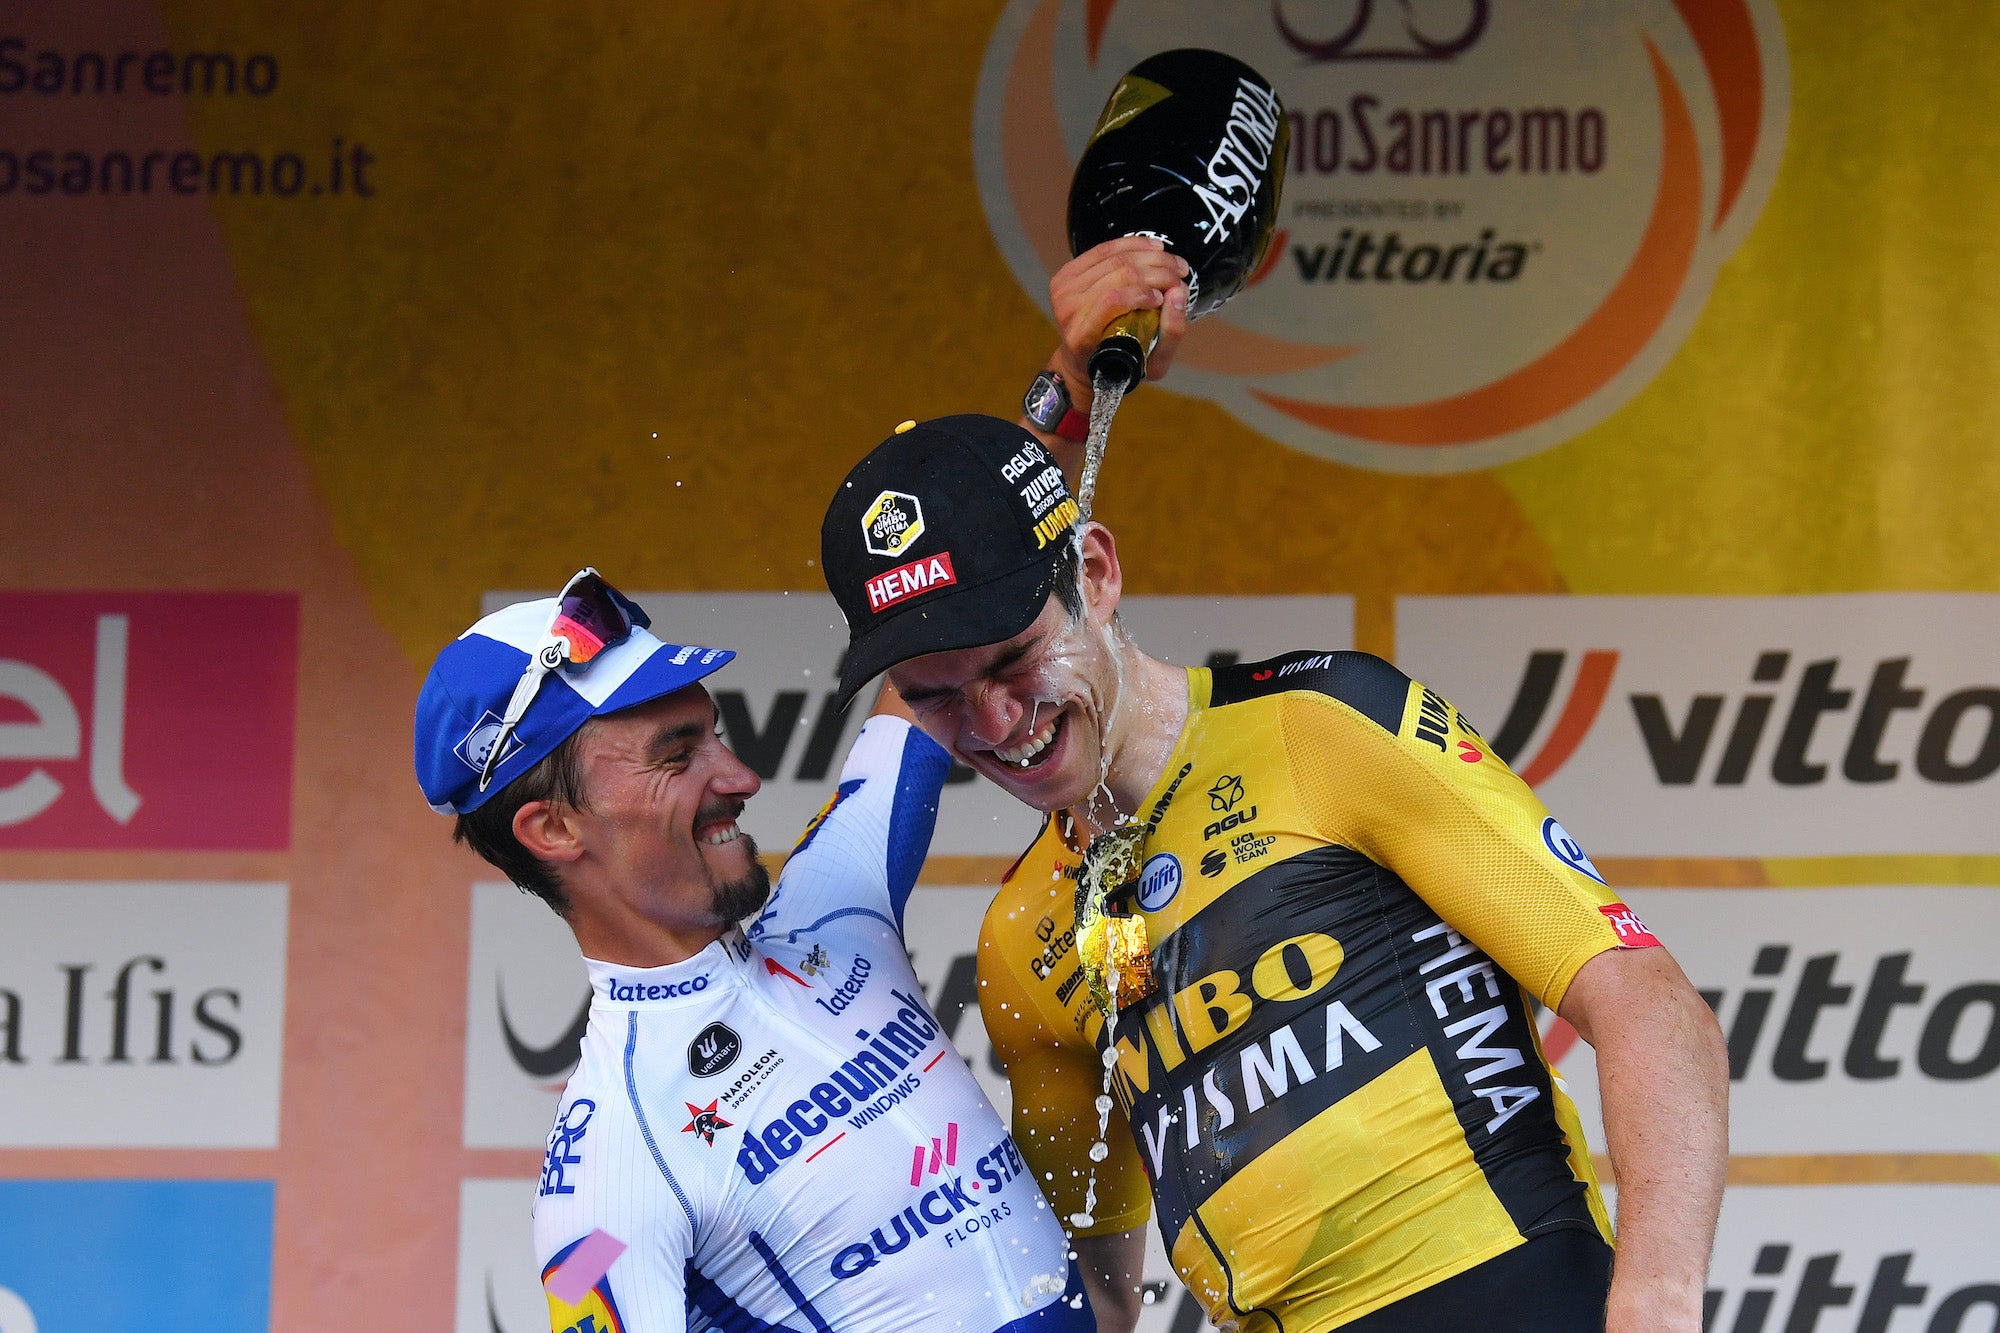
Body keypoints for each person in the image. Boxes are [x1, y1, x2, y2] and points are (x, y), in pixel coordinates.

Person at [812, 240, 1730, 1333]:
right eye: (937, 695)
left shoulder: (1320, 724)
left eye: (1012, 661)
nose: (996, 723)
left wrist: (1657, 1303)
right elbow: (1096, 1293)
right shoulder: (1022, 936)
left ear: (1095, 577)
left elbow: (1640, 999)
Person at [413, 568, 1095, 1333]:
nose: (741, 777)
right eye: (677, 757)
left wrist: (1047, 447)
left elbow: (951, 611)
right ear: (554, 830)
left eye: (718, 735)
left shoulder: (836, 899)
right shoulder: (606, 1163)